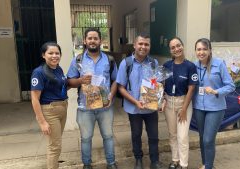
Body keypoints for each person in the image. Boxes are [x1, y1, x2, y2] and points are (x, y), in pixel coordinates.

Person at [67, 28, 118, 169]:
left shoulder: (110, 59)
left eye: (95, 38)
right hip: (85, 108)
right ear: (85, 41)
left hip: (105, 106)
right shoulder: (77, 60)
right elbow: (69, 81)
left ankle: (111, 163)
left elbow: (115, 80)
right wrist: (81, 81)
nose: (93, 41)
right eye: (90, 38)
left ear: (100, 41)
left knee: (108, 136)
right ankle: (87, 164)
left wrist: (111, 95)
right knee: (86, 138)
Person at [116, 33, 163, 169]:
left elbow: (157, 85)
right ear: (135, 45)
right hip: (133, 108)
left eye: (146, 44)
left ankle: (154, 161)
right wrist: (135, 102)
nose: (143, 47)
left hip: (150, 108)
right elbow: (121, 87)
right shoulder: (126, 63)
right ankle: (138, 160)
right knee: (136, 135)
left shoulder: (153, 63)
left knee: (154, 136)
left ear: (149, 46)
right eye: (140, 44)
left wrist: (160, 100)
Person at [192, 38, 235, 169]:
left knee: (208, 139)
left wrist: (216, 91)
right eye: (199, 49)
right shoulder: (194, 66)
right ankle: (206, 164)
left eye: (205, 49)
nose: (201, 52)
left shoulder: (219, 64)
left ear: (210, 50)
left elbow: (231, 86)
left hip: (215, 108)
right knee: (202, 137)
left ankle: (208, 167)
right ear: (195, 51)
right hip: (199, 107)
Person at [162, 37, 198, 169]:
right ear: (170, 51)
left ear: (182, 46)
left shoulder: (190, 66)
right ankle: (175, 160)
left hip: (184, 103)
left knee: (182, 136)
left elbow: (192, 88)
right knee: (172, 134)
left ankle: (183, 164)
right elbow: (162, 85)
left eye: (178, 46)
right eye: (173, 47)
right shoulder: (166, 65)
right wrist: (161, 100)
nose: (176, 49)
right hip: (169, 103)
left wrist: (184, 109)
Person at [31, 42, 68, 169]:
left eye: (57, 53)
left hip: (62, 108)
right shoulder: (39, 72)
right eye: (50, 53)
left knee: (55, 144)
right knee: (54, 146)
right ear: (43, 55)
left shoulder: (58, 69)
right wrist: (42, 122)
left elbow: (61, 87)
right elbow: (35, 98)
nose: (54, 56)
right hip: (50, 111)